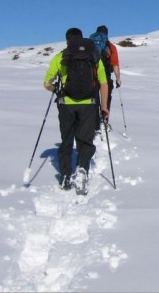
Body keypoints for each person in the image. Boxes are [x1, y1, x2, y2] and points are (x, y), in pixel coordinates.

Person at [44, 27, 109, 193]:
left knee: (67, 139)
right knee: (85, 140)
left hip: (66, 104)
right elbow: (103, 82)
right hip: (88, 104)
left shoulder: (60, 57)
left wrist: (57, 90)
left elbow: (47, 83)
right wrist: (104, 107)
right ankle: (82, 171)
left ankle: (65, 175)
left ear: (66, 40)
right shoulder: (93, 56)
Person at [93, 25, 121, 133]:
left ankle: (94, 123)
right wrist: (118, 78)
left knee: (94, 98)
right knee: (106, 97)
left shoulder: (91, 44)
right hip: (105, 75)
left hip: (93, 76)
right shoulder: (110, 46)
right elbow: (115, 64)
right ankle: (104, 119)